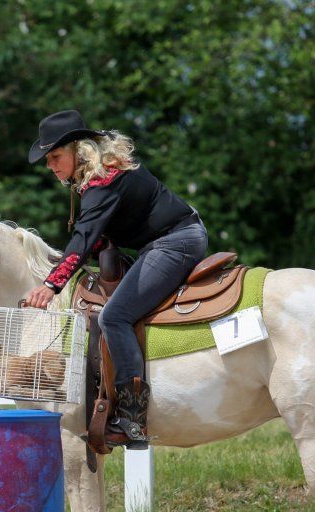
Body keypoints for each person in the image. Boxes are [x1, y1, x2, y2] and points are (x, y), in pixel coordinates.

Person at [24, 110, 209, 445]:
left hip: (176, 242)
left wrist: (51, 285)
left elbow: (82, 238)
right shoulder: (102, 175)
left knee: (115, 316)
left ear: (78, 151)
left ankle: (132, 418)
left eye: (55, 156)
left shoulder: (100, 183)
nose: (50, 165)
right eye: (47, 159)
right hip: (166, 241)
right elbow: (90, 237)